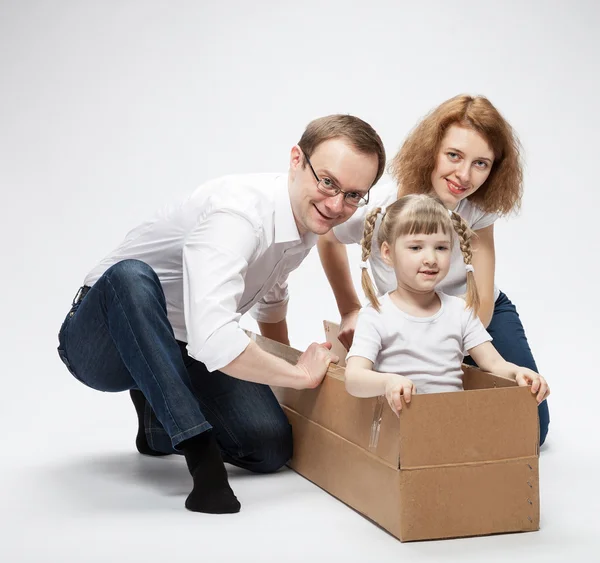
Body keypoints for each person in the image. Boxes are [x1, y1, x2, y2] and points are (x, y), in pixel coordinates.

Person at [56, 114, 386, 514]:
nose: (336, 205)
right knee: (132, 278)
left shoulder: (306, 217)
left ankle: (156, 422)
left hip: (184, 344)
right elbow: (215, 340)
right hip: (104, 336)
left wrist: (288, 372)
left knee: (269, 448)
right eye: (328, 182)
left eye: (353, 195)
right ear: (296, 159)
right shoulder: (241, 214)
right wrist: (299, 375)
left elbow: (271, 294)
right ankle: (200, 457)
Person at [318, 95, 550, 444]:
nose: (463, 175)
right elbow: (328, 239)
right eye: (454, 155)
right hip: (407, 313)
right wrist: (350, 308)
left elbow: (481, 299)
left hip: (472, 315)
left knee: (532, 427)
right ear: (432, 150)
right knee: (420, 417)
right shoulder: (380, 209)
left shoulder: (477, 211)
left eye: (481, 164)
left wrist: (451, 348)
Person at [344, 194, 550, 416]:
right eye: (415, 247)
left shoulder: (459, 311)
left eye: (441, 248)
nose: (431, 258)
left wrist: (518, 372)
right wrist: (388, 383)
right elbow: (354, 378)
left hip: (450, 424)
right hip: (400, 427)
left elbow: (493, 363)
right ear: (388, 253)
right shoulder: (376, 314)